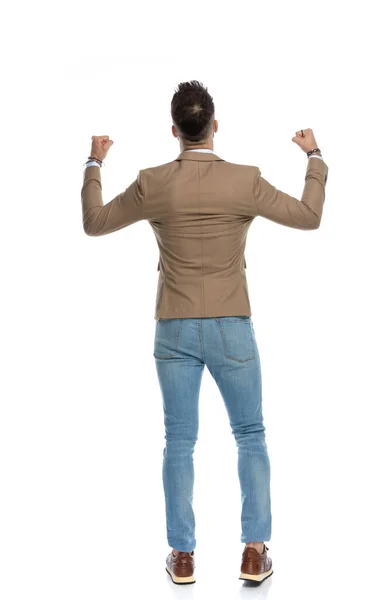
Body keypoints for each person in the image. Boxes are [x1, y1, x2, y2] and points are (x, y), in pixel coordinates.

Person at [81, 80, 329, 585]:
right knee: (251, 434)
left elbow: (95, 221)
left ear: (175, 130)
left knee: (179, 441)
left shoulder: (153, 182)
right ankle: (255, 552)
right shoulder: (244, 179)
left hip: (173, 327)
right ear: (214, 125)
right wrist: (315, 157)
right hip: (232, 326)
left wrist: (94, 163)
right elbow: (309, 217)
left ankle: (184, 556)